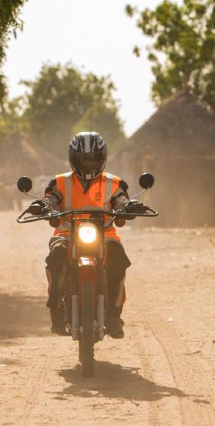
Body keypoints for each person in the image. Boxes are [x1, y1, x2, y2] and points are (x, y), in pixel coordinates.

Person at [25, 131, 147, 339]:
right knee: (56, 257)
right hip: (66, 233)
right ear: (74, 158)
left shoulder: (115, 183)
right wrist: (41, 206)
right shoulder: (59, 183)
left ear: (102, 158)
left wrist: (131, 206)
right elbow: (50, 199)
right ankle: (56, 310)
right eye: (84, 158)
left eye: (94, 158)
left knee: (118, 261)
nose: (89, 163)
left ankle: (114, 317)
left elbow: (122, 201)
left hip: (105, 234)